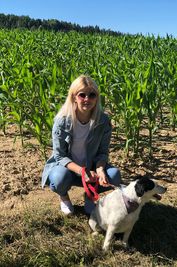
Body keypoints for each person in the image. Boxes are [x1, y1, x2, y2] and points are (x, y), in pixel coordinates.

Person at [41, 74, 121, 215]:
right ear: (73, 97)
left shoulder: (103, 120)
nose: (87, 99)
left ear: (97, 98)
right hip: (68, 169)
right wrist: (82, 172)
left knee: (114, 176)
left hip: (91, 168)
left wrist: (100, 169)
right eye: (82, 95)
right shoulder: (62, 121)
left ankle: (90, 194)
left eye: (92, 95)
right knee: (59, 179)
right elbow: (60, 156)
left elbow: (103, 152)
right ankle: (64, 196)